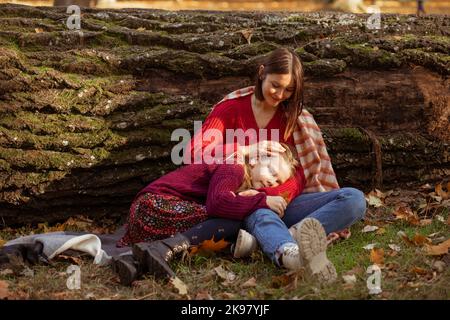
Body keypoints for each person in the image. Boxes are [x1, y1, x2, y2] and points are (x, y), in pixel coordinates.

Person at [113, 47, 366, 285]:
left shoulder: (291, 118)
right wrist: (245, 151)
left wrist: (266, 195)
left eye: (288, 90)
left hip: (278, 201)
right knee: (252, 212)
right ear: (261, 73)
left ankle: (287, 238)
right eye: (275, 85)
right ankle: (285, 249)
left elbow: (298, 175)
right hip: (243, 204)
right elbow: (194, 153)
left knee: (353, 200)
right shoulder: (232, 109)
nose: (279, 95)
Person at [114, 143, 301, 285]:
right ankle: (162, 249)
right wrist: (261, 201)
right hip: (154, 205)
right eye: (271, 171)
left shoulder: (239, 176)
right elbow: (218, 204)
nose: (272, 181)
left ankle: (134, 262)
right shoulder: (233, 167)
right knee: (231, 219)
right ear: (253, 160)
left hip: (150, 213)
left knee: (231, 216)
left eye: (277, 180)